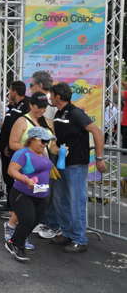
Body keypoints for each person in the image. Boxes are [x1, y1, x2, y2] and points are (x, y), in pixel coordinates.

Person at [50, 82, 107, 253]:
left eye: (51, 95)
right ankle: (67, 232)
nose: (50, 98)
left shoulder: (76, 113)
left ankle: (79, 239)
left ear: (58, 96)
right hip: (61, 164)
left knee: (77, 203)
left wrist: (99, 158)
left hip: (76, 165)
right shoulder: (59, 113)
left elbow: (97, 132)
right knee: (59, 200)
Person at [6, 91, 56, 246]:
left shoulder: (47, 122)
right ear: (31, 105)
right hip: (26, 166)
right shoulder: (22, 121)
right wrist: (32, 153)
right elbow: (13, 143)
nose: (42, 110)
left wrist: (61, 152)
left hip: (44, 167)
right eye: (39, 107)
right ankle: (11, 229)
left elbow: (52, 146)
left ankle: (19, 232)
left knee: (34, 204)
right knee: (25, 198)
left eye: (44, 107)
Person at [5, 127, 58, 261]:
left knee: (33, 222)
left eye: (47, 142)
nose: (45, 144)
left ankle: (13, 241)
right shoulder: (23, 153)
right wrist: (25, 179)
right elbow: (11, 170)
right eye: (43, 141)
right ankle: (19, 247)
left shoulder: (42, 153)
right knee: (27, 220)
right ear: (33, 139)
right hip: (22, 193)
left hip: (41, 196)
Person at [0, 81, 29, 218]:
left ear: (14, 91)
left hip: (15, 150)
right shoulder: (13, 106)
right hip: (8, 149)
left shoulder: (26, 105)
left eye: (10, 91)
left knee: (15, 178)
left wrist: (11, 146)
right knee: (8, 178)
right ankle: (10, 205)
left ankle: (14, 209)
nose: (9, 94)